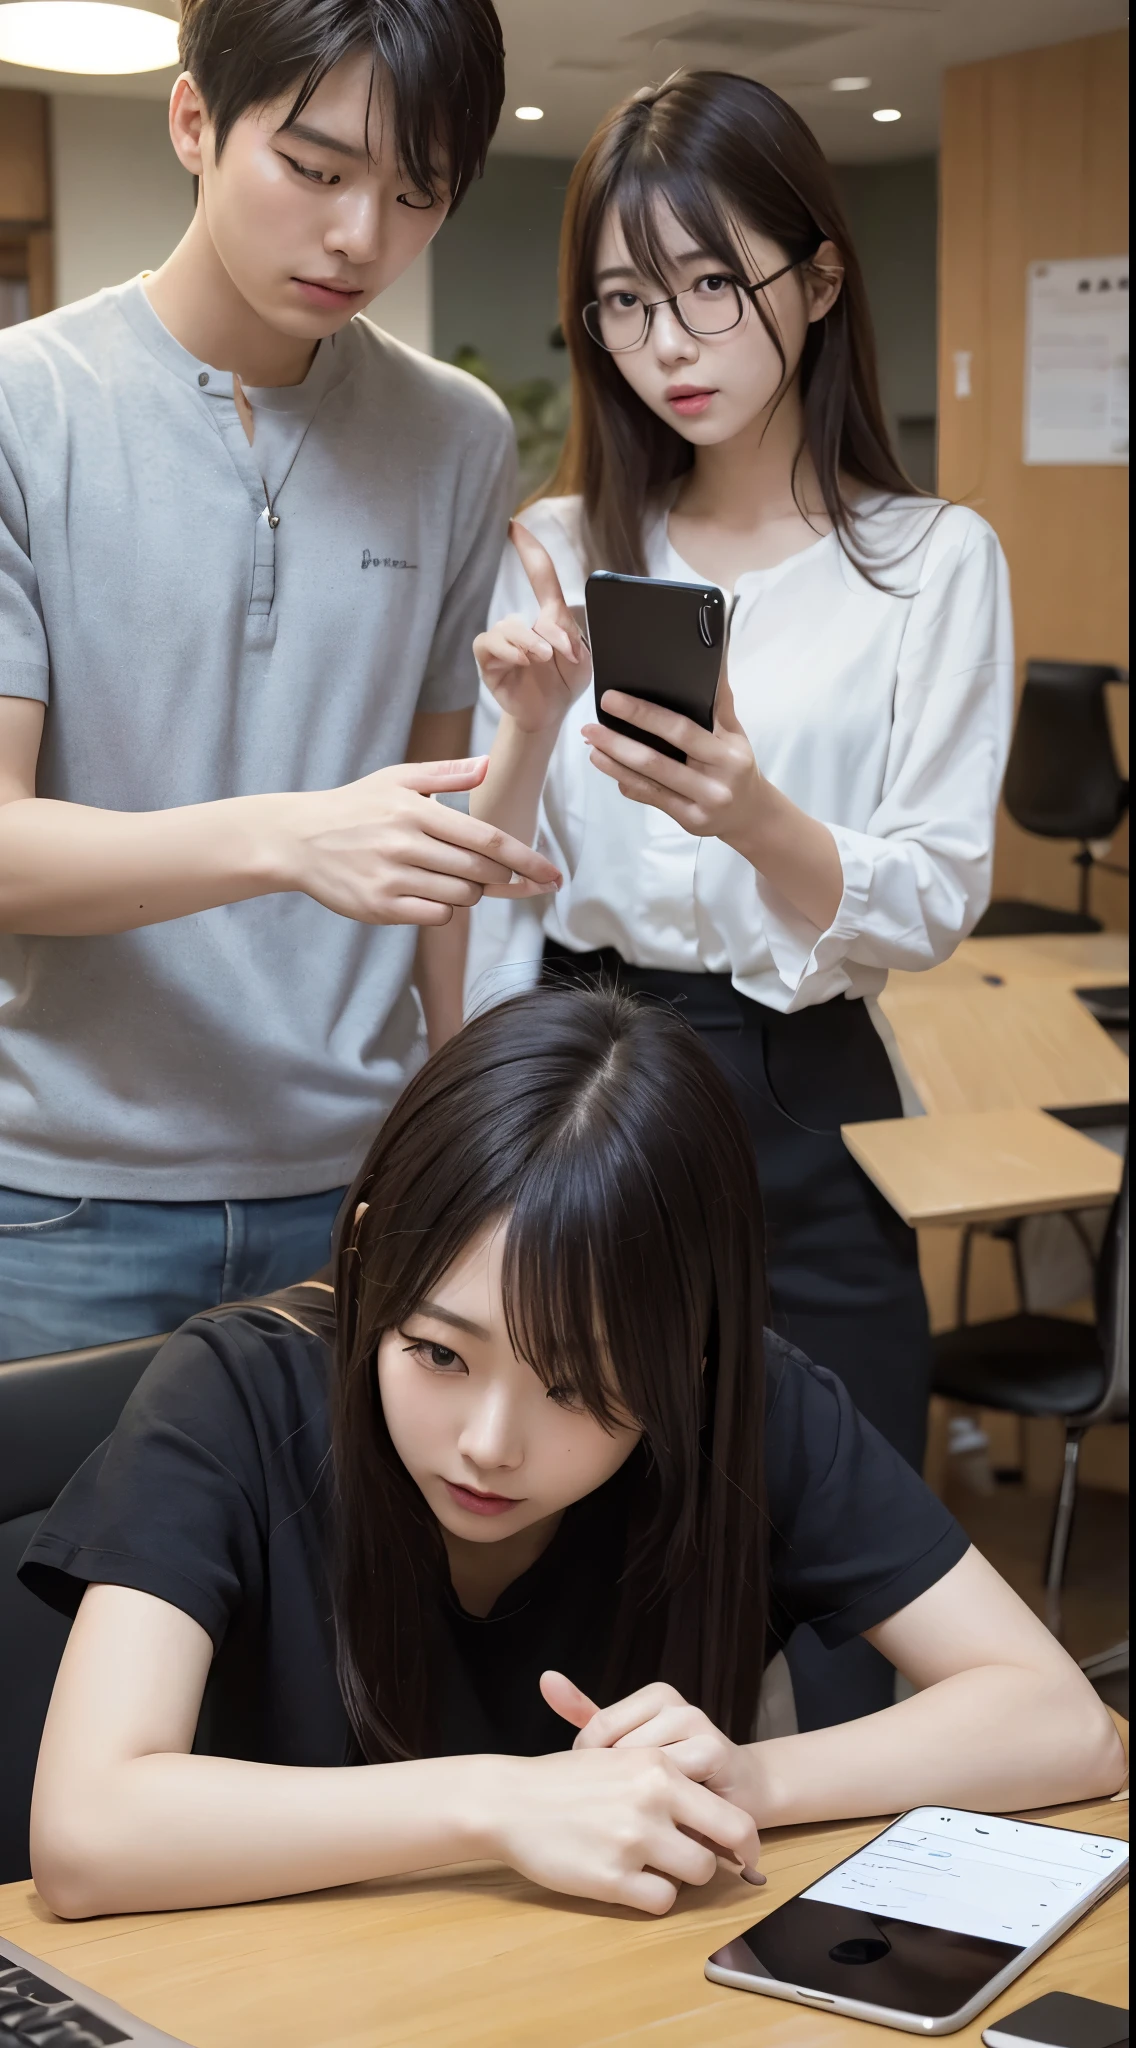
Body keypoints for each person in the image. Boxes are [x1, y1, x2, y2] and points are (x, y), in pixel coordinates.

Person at [21, 986, 1122, 1920]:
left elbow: (1062, 1724)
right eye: (436, 1352)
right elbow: (84, 1830)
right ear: (365, 1258)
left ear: (686, 1355)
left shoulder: (751, 1397)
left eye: (581, 1386)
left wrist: (745, 1774)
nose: (490, 1444)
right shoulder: (232, 1393)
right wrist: (502, 1800)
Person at [467, 70, 1013, 1725]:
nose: (670, 343)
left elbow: (929, 890)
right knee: (597, 1609)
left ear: (819, 277)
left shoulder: (929, 560)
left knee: (863, 1621)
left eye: (715, 283)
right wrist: (526, 729)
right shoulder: (558, 539)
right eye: (626, 301)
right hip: (584, 1077)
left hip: (798, 1083)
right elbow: (498, 878)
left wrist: (759, 815)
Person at [0, 0, 558, 1361]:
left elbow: (433, 825)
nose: (361, 236)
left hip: (357, 1188)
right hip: (62, 1202)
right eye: (315, 171)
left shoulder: (457, 435)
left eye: (416, 193)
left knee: (333, 1580)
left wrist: (454, 1133)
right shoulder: (26, 407)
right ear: (195, 120)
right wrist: (292, 837)